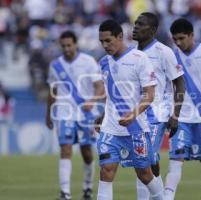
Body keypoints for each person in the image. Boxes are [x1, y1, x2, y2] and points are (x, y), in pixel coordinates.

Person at [96, 19, 164, 200]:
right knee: (106, 171)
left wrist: (134, 114)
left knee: (144, 174)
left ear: (120, 37)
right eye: (102, 41)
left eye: (108, 40)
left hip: (136, 128)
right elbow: (113, 95)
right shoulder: (103, 62)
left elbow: (149, 94)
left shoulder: (139, 59)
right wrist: (102, 115)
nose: (105, 45)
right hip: (111, 128)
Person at [164, 18, 201, 200]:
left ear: (191, 35)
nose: (179, 43)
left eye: (182, 38)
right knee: (175, 160)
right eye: (175, 40)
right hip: (181, 117)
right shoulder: (171, 56)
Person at [132, 12, 185, 200]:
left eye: (141, 24)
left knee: (142, 162)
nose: (135, 26)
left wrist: (175, 114)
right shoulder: (131, 53)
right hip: (136, 116)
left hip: (156, 114)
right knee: (150, 164)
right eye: (135, 23)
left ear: (153, 30)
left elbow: (180, 82)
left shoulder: (164, 52)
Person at [46, 31, 103, 200]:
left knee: (87, 152)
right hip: (64, 113)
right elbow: (53, 92)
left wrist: (92, 101)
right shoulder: (55, 65)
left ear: (76, 44)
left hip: (85, 114)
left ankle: (87, 188)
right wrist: (49, 114)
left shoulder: (88, 62)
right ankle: (65, 193)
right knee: (65, 149)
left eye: (69, 45)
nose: (66, 49)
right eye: (63, 46)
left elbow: (100, 88)